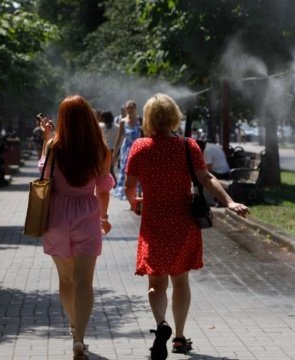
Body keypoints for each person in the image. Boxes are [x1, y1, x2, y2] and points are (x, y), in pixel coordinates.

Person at [124, 93, 249, 358]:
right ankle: (179, 338)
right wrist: (229, 201)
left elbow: (129, 186)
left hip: (154, 221)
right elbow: (205, 178)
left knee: (156, 283)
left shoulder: (139, 147)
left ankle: (161, 325)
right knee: (180, 281)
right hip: (182, 220)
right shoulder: (187, 146)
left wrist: (135, 203)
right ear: (173, 117)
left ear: (148, 118)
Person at [37, 95, 114, 360]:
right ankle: (79, 339)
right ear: (89, 119)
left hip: (57, 217)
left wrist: (45, 139)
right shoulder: (101, 150)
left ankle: (72, 324)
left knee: (66, 280)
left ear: (62, 119)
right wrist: (103, 218)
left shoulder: (54, 146)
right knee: (84, 282)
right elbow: (103, 190)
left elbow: (44, 178)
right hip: (86, 216)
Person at [112, 100, 141, 200]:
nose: (129, 110)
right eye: (127, 108)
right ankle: (124, 191)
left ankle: (135, 191)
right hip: (127, 148)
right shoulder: (123, 121)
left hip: (138, 148)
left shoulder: (140, 120)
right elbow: (119, 138)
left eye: (131, 107)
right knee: (125, 169)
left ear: (135, 108)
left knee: (137, 170)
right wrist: (115, 154)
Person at [99, 110, 118, 183]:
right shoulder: (117, 127)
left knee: (103, 169)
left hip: (103, 150)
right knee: (111, 168)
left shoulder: (100, 126)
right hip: (113, 149)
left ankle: (109, 183)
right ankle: (114, 183)